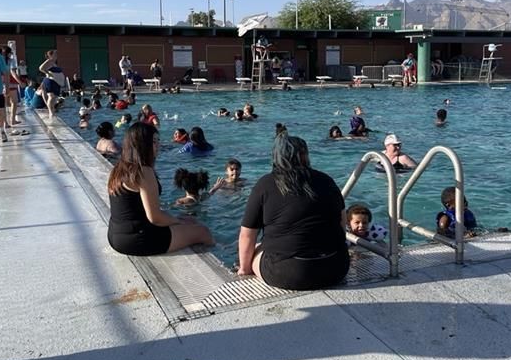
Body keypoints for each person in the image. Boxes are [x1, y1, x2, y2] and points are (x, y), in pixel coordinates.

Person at [237, 133, 350, 290]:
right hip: (336, 267)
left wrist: (244, 269)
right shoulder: (326, 180)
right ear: (305, 156)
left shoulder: (265, 184)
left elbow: (247, 234)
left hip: (290, 273)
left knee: (256, 249)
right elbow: (342, 223)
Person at [107, 122, 213, 256]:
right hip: (136, 239)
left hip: (115, 235)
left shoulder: (119, 168)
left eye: (158, 140)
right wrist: (178, 221)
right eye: (153, 141)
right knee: (203, 232)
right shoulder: (144, 171)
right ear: (141, 144)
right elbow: (155, 218)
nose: (158, 145)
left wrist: (177, 220)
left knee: (188, 220)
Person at [38, 50, 65, 119]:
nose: (56, 55)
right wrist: (47, 73)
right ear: (50, 55)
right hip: (51, 81)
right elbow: (41, 68)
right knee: (51, 96)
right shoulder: (49, 61)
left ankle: (52, 111)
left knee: (54, 98)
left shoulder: (53, 62)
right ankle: (51, 112)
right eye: (55, 54)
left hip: (55, 82)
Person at [0, 46, 23, 128]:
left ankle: (5, 123)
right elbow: (13, 72)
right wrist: (20, 82)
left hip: (1, 83)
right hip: (11, 83)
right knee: (14, 102)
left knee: (3, 104)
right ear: (9, 53)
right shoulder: (11, 61)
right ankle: (12, 120)